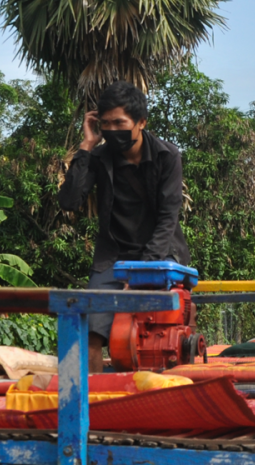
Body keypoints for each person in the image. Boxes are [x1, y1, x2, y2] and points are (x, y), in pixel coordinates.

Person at [57, 81, 191, 373]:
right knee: (91, 335)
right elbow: (69, 201)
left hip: (160, 256)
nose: (112, 130)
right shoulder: (99, 157)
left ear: (141, 122)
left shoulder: (167, 157)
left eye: (120, 122)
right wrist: (86, 146)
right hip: (112, 257)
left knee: (154, 335)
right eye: (105, 124)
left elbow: (168, 218)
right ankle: (93, 407)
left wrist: (141, 272)